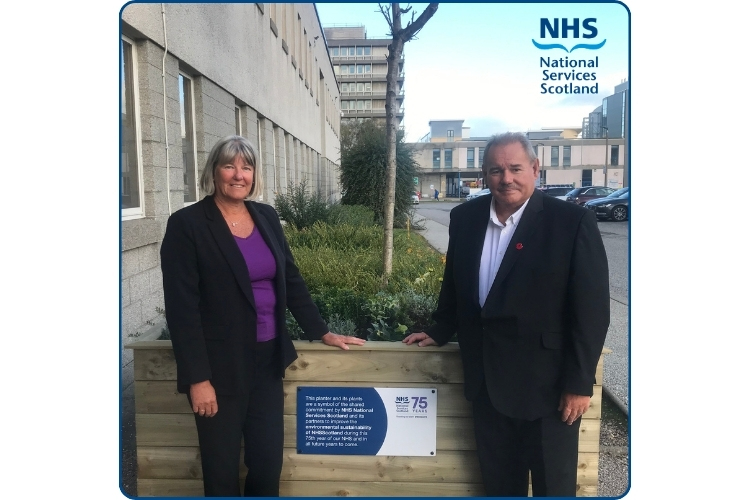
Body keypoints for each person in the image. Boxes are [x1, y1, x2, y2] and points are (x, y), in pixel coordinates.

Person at [403, 132, 609, 497]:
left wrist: (579, 383)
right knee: (499, 487)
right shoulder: (465, 218)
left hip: (548, 390)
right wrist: (439, 328)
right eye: (496, 170)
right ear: (484, 175)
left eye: (515, 168)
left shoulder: (571, 222)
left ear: (534, 169)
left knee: (553, 488)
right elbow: (455, 284)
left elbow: (592, 311)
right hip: (487, 385)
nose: (506, 178)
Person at [160, 135, 365, 497]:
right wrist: (197, 379)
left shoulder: (266, 216)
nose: (238, 175)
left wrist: (322, 331)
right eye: (229, 165)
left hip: (268, 362)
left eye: (247, 166)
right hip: (218, 368)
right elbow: (182, 309)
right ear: (214, 171)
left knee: (268, 463)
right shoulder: (187, 224)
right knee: (221, 467)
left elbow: (290, 278)